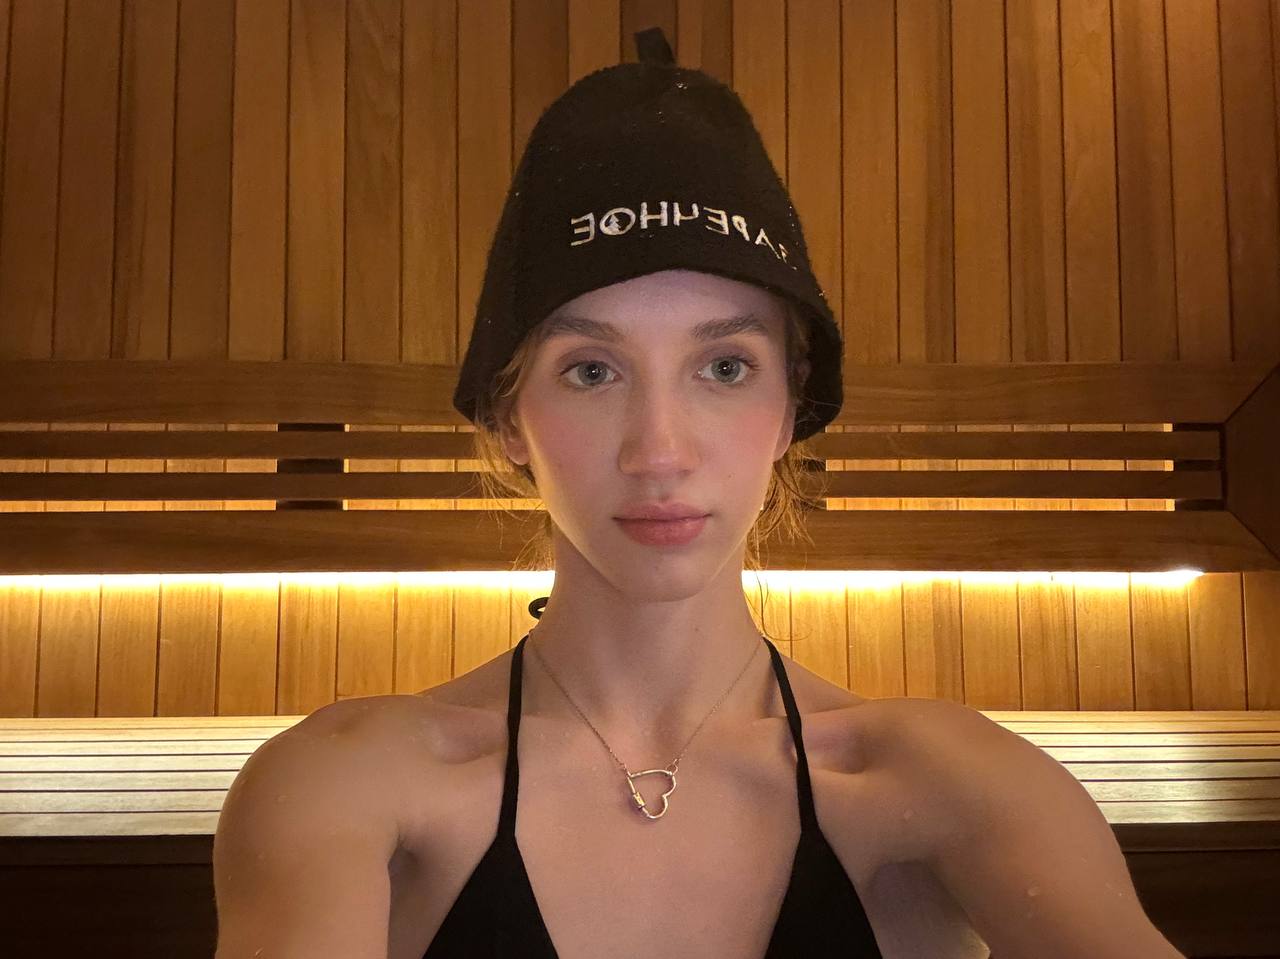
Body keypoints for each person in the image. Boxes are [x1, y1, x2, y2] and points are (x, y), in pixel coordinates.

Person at [212, 27, 1186, 959]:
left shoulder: (938, 786)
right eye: (591, 370)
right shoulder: (352, 786)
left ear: (790, 405)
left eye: (723, 367)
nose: (659, 451)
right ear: (508, 419)